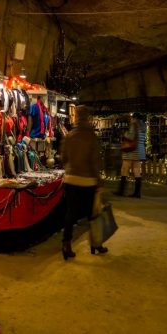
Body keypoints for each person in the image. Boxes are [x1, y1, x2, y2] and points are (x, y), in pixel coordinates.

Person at [60, 105, 105, 260]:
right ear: (88, 117)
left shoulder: (70, 135)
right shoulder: (91, 136)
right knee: (93, 213)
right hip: (88, 180)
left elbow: (63, 158)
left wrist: (70, 168)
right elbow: (95, 161)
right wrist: (99, 179)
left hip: (71, 179)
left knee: (70, 213)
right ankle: (96, 243)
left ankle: (66, 244)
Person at [116, 113, 146, 198]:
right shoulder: (143, 126)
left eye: (132, 118)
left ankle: (121, 191)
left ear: (135, 118)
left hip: (131, 151)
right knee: (137, 171)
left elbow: (131, 136)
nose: (131, 119)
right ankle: (137, 193)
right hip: (139, 151)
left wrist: (124, 133)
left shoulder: (134, 124)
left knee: (124, 169)